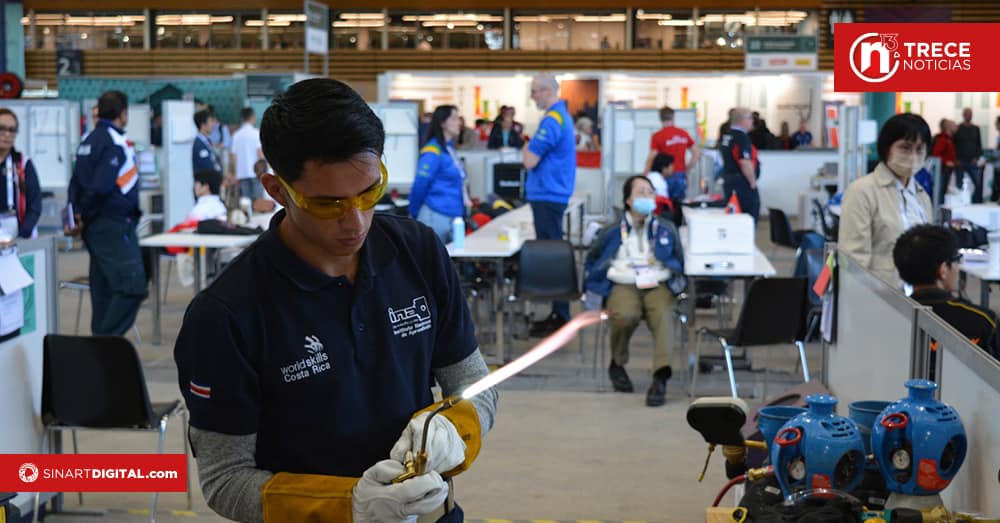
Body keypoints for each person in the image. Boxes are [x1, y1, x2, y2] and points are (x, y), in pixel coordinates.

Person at [174, 78, 497, 523]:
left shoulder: (418, 253)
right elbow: (225, 478)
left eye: (370, 193)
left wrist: (454, 427)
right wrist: (349, 505)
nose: (356, 221)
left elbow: (474, 382)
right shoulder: (227, 314)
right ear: (276, 189)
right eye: (328, 204)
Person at [584, 175, 685, 406]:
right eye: (641, 192)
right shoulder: (611, 231)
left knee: (663, 315)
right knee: (625, 315)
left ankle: (660, 377)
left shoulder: (666, 228)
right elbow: (593, 259)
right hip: (623, 281)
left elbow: (678, 259)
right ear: (628, 200)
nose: (647, 196)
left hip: (658, 282)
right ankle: (617, 363)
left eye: (650, 192)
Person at [66, 90, 147, 336]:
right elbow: (100, 187)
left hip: (97, 226)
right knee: (133, 285)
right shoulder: (113, 142)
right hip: (112, 225)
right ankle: (105, 343)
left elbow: (75, 182)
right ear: (123, 113)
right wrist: (84, 214)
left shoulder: (88, 140)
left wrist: (77, 213)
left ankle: (99, 349)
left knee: (104, 290)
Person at [838, 113, 932, 287]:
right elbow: (853, 258)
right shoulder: (862, 191)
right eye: (905, 147)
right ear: (887, 148)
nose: (913, 156)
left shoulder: (922, 196)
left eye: (919, 149)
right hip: (879, 293)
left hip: (917, 295)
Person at [893, 224, 999, 361]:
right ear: (943, 269)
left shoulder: (892, 315)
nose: (958, 267)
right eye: (957, 259)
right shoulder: (983, 322)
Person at [522, 73, 576, 337]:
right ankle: (558, 312)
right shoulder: (560, 117)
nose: (533, 97)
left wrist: (526, 147)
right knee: (553, 251)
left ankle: (560, 316)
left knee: (552, 255)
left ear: (546, 90)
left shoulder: (552, 120)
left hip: (547, 194)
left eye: (534, 91)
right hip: (551, 194)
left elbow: (529, 160)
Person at [409, 105, 471, 243]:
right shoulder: (433, 151)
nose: (459, 122)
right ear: (443, 123)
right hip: (435, 215)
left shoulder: (449, 150)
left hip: (454, 216)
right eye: (454, 118)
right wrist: (413, 212)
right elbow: (420, 184)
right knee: (431, 256)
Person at [0, 109, 41, 239]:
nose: (7, 134)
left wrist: (23, 235)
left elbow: (35, 205)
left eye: (12, 130)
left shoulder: (23, 164)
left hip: (16, 231)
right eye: (2, 128)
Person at [644, 106, 700, 201]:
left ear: (660, 118)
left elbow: (652, 157)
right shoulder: (683, 133)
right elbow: (696, 153)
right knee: (679, 204)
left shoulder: (657, 136)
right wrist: (686, 170)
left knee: (665, 204)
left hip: (666, 175)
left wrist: (646, 174)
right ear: (673, 117)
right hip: (680, 174)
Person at [719, 108, 761, 222]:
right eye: (750, 118)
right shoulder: (741, 137)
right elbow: (744, 162)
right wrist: (752, 183)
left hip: (729, 181)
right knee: (748, 218)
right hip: (741, 184)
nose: (752, 121)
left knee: (734, 217)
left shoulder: (727, 136)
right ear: (743, 120)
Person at [230, 107, 264, 200]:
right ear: (253, 117)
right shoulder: (256, 133)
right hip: (256, 173)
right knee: (258, 202)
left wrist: (235, 173)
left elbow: (234, 156)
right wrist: (264, 171)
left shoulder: (236, 135)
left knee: (246, 202)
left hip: (242, 174)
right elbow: (259, 153)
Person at [953, 107, 983, 203]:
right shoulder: (958, 128)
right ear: (963, 115)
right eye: (966, 114)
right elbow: (954, 144)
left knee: (978, 183)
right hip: (960, 160)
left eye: (970, 114)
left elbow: (979, 144)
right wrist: (955, 159)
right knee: (959, 184)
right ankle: (960, 202)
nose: (968, 116)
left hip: (972, 160)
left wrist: (976, 157)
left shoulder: (976, 129)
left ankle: (975, 202)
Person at [931, 118, 957, 202]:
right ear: (947, 127)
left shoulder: (949, 139)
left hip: (946, 170)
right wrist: (946, 162)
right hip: (942, 171)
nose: (955, 126)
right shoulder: (943, 139)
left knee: (943, 191)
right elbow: (936, 154)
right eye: (953, 124)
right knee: (940, 192)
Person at [193, 109, 222, 178]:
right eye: (211, 121)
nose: (214, 124)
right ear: (203, 125)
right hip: (207, 182)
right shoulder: (198, 144)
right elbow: (207, 167)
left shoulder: (207, 141)